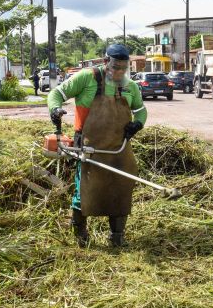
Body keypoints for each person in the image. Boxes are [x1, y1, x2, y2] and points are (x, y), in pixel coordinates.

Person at [48, 43, 147, 247]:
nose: (119, 72)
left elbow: (140, 109)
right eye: (115, 67)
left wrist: (138, 124)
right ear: (105, 62)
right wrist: (55, 109)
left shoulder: (130, 86)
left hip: (119, 146)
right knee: (84, 187)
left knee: (121, 187)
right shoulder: (87, 77)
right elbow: (56, 94)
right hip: (88, 143)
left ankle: (117, 236)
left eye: (123, 68)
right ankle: (80, 236)